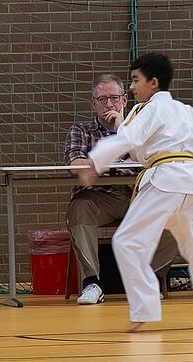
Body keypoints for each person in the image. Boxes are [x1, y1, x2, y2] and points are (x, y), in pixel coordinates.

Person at [86, 53, 193, 333]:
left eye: (135, 80)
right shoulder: (184, 109)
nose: (131, 87)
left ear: (153, 82)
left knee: (127, 241)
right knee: (190, 247)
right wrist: (191, 160)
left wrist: (95, 162)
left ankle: (145, 309)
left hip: (165, 181)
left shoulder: (148, 109)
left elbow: (128, 139)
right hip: (190, 181)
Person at [65, 73, 177, 305]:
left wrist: (122, 128)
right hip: (99, 198)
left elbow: (159, 158)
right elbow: (76, 164)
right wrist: (113, 160)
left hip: (138, 195)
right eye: (102, 99)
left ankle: (150, 280)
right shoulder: (81, 131)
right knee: (79, 207)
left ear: (125, 101)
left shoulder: (141, 128)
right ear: (94, 104)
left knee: (176, 212)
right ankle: (92, 283)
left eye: (114, 98)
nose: (109, 104)